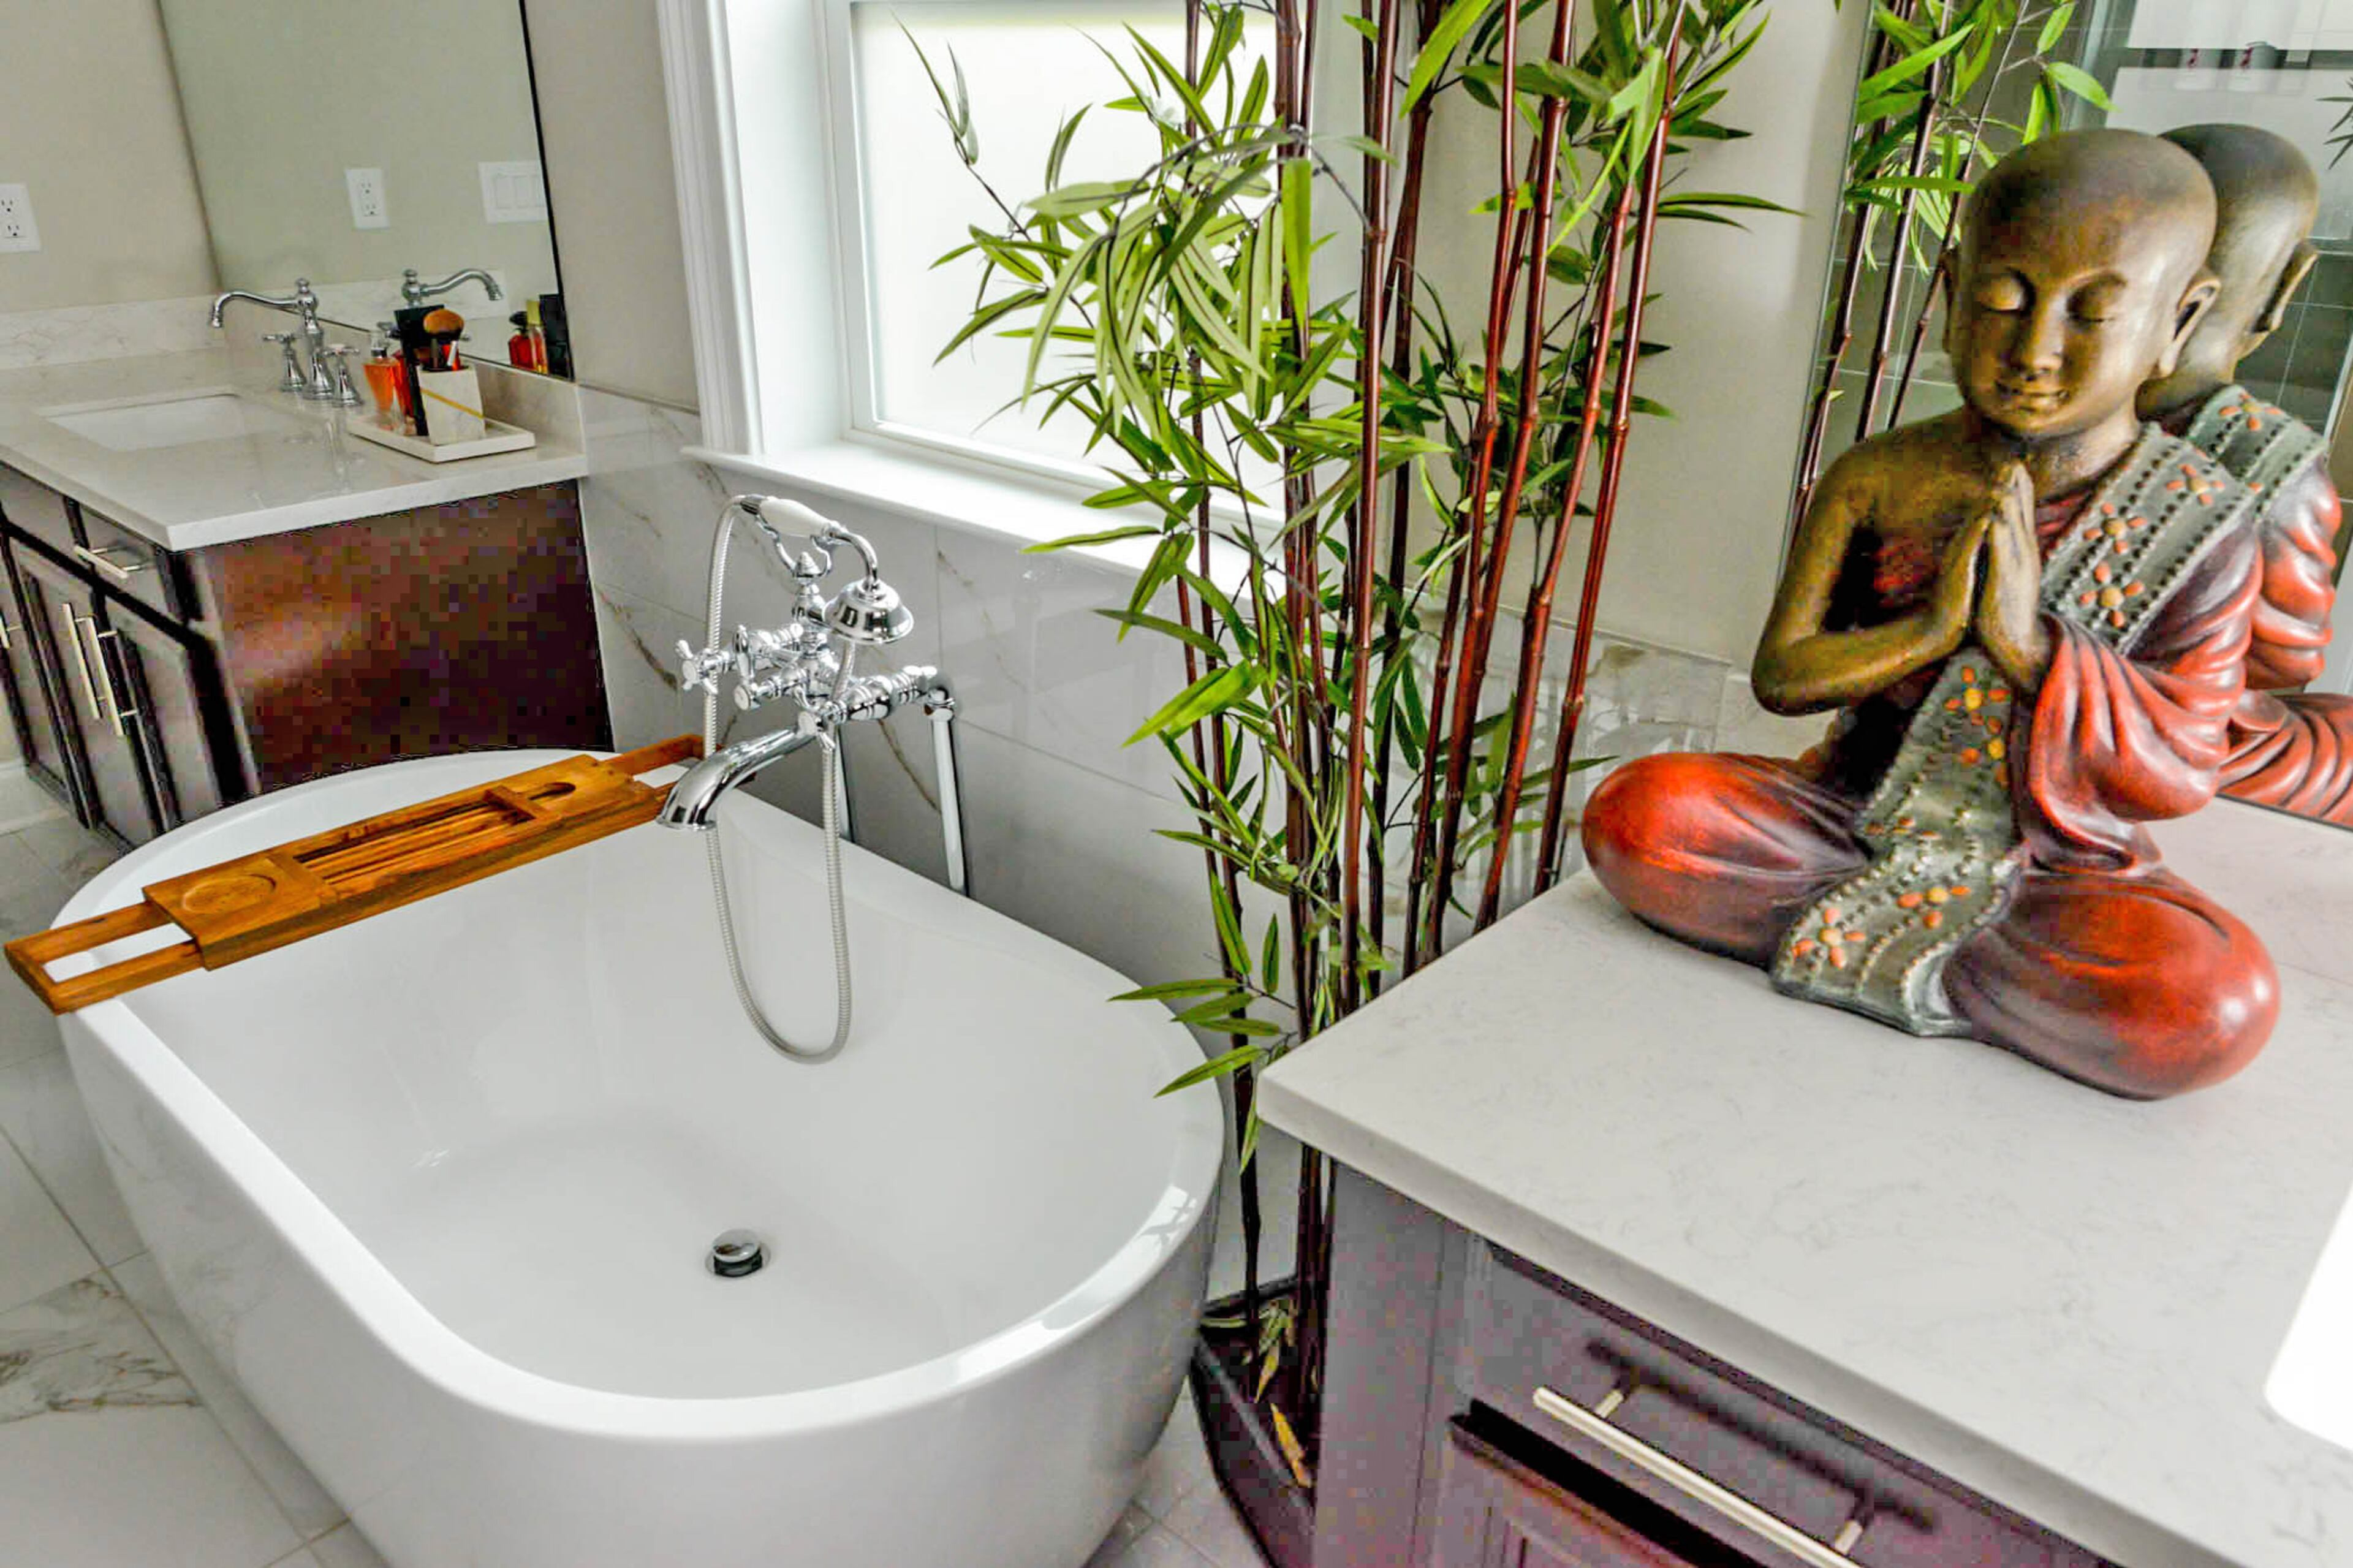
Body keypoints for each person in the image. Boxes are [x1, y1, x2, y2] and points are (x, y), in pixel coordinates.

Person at [1582, 130, 2279, 1099]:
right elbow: (1783, 677)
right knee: (1642, 814)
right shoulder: (1879, 474)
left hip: (2052, 869)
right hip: (1848, 818)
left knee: (2209, 1001)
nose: (2035, 351)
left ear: (2179, 320)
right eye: (2003, 301)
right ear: (1950, 292)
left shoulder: (2203, 520)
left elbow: (2183, 767)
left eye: (2092, 313)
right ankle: (1975, 974)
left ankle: (1908, 944)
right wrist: (1933, 628)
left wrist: (2027, 646)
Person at [2137, 125, 2353, 820]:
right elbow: (2285, 664)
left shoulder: (2052, 413)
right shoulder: (2276, 464)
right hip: (2194, 737)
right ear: (2287, 287)